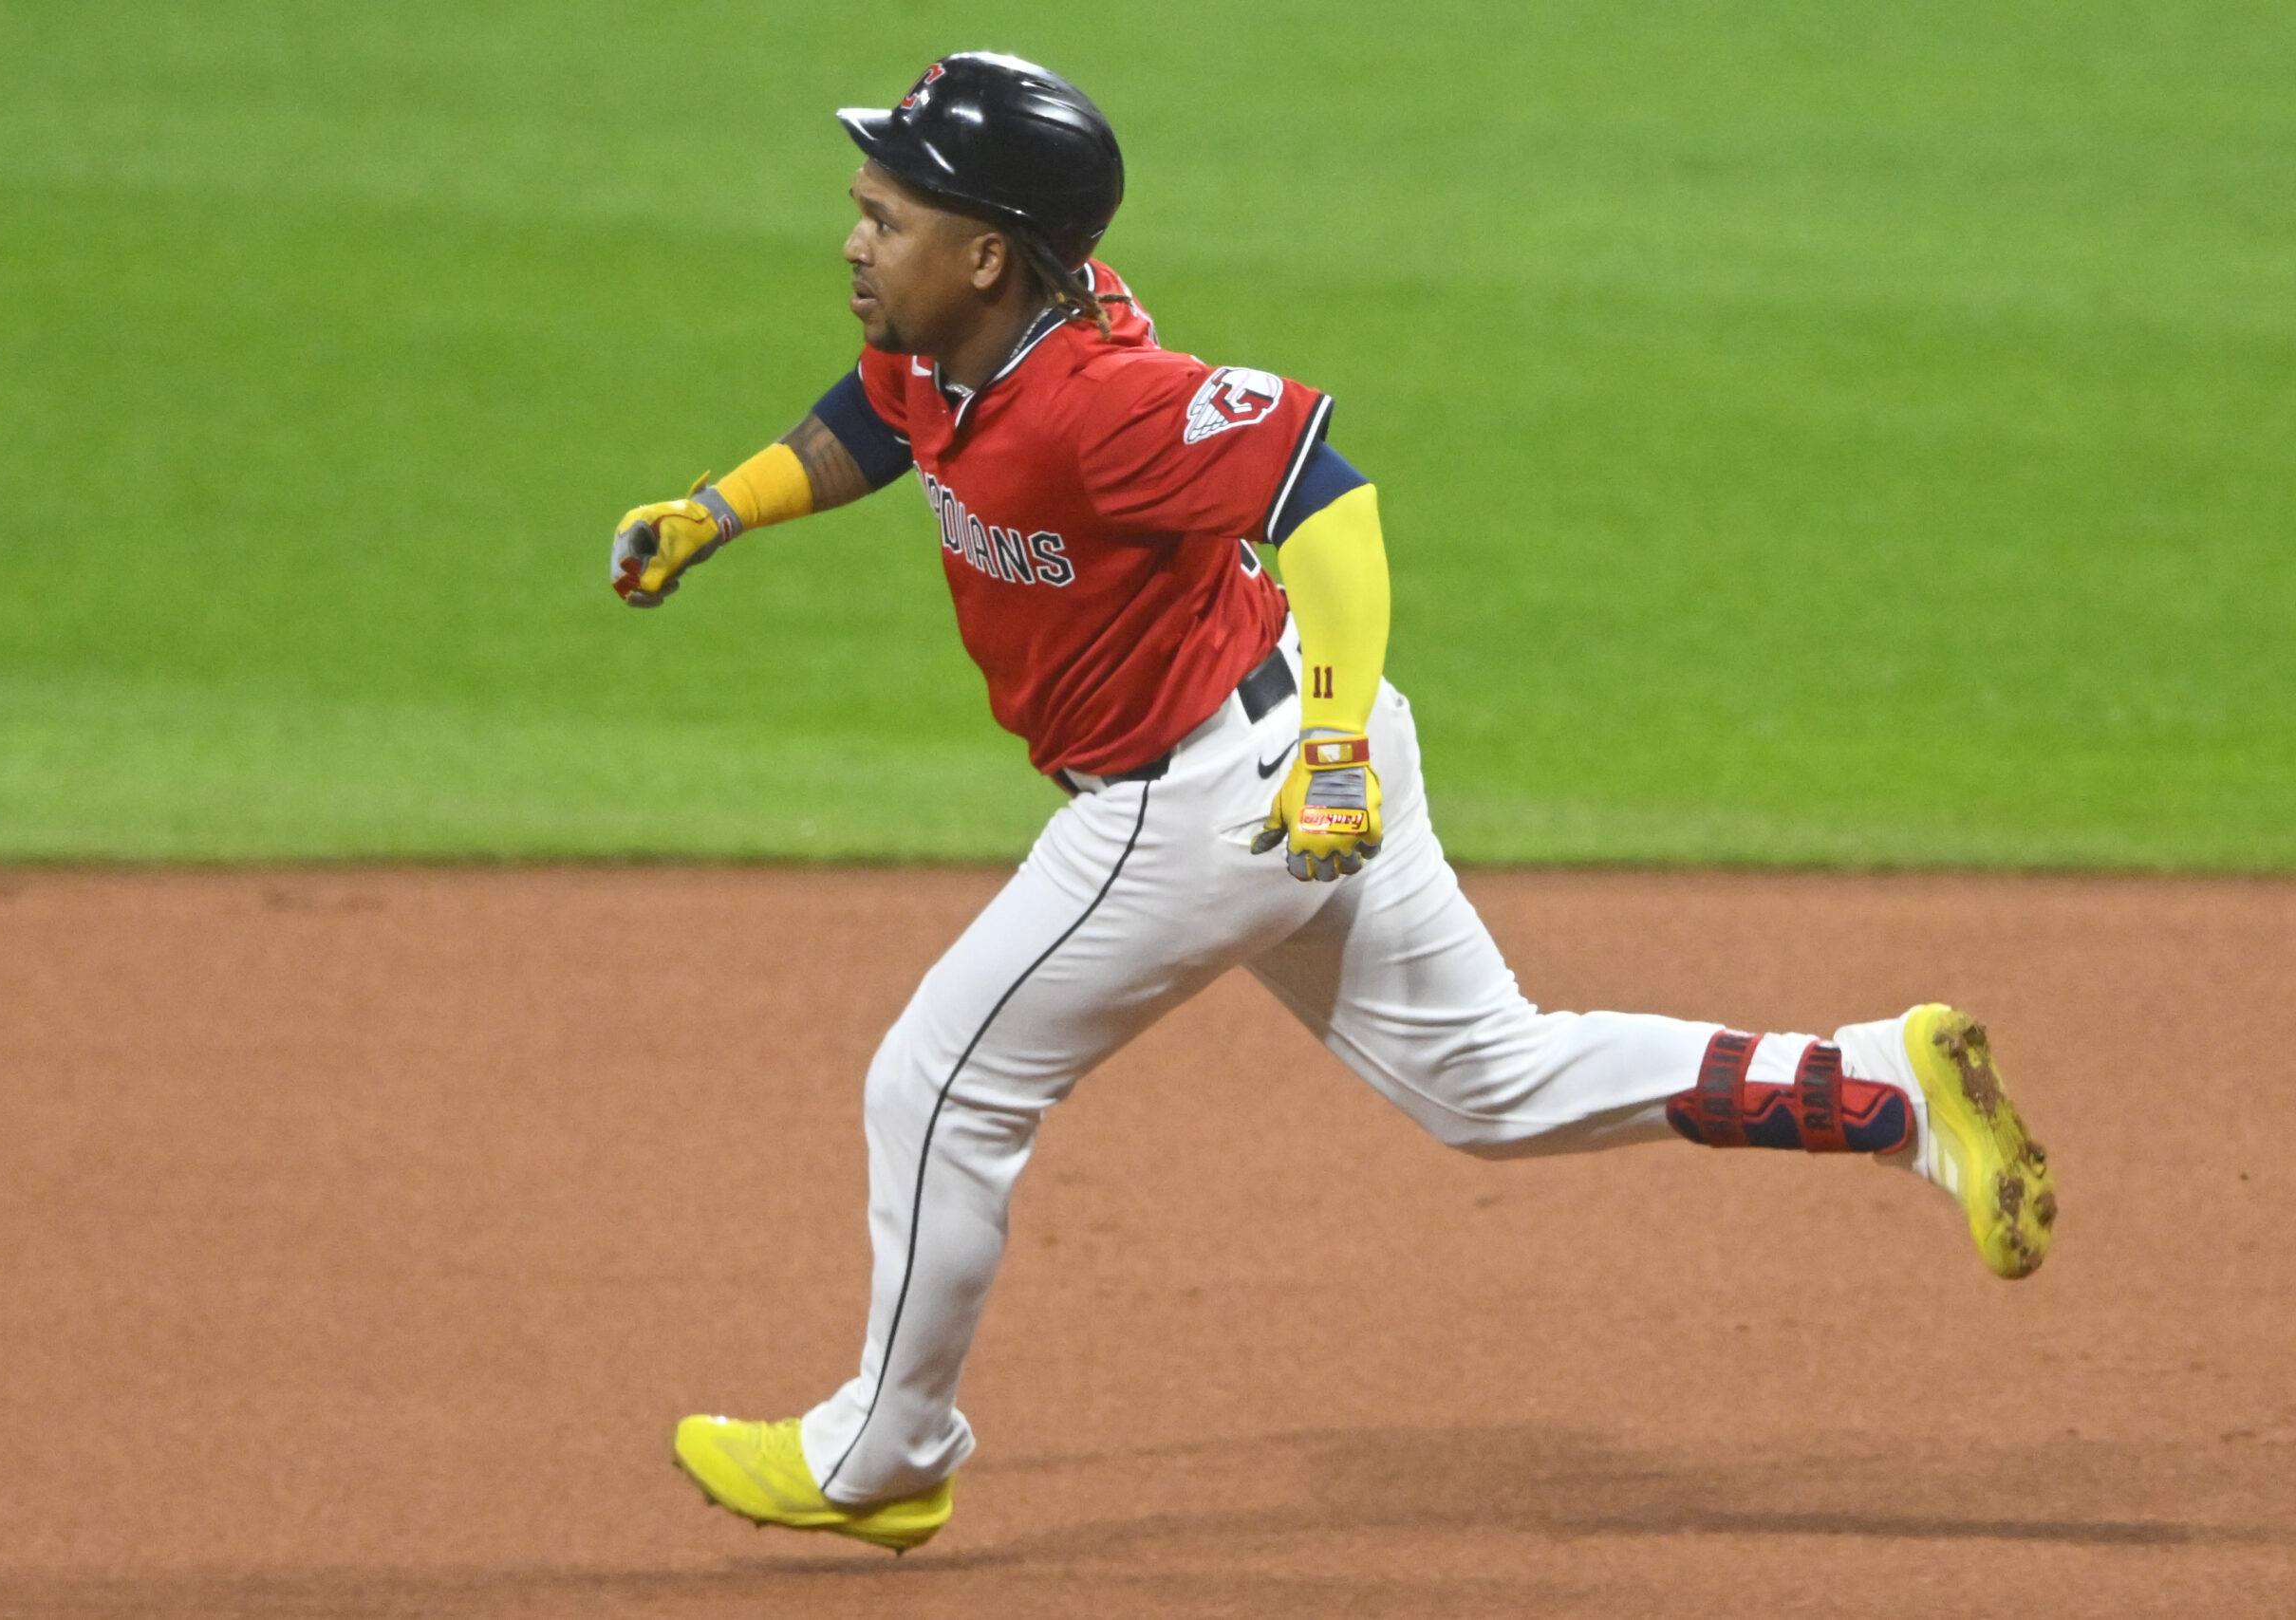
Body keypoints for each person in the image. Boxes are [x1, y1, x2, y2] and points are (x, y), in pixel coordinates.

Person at [610, 52, 2057, 1554]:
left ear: (987, 253)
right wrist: (722, 508)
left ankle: (886, 1454)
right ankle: (1886, 1094)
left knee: (940, 1085)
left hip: (1205, 800)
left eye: (885, 214)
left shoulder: (1100, 398)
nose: (854, 239)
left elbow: (1325, 487)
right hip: (1266, 747)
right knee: (1489, 1082)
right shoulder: (950, 335)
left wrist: (1340, 748)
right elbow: (879, 415)